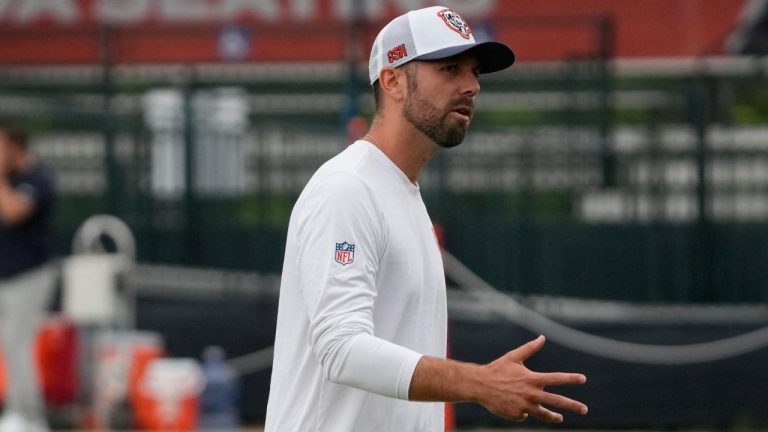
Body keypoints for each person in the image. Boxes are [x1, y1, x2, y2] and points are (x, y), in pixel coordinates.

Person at [265, 6, 588, 431]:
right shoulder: (348, 188)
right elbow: (341, 349)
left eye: (474, 72)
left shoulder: (399, 191)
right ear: (392, 81)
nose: (471, 86)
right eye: (449, 68)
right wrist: (481, 383)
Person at [0, 123, 56, 432]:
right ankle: (15, 409)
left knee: (17, 342)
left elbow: (13, 212)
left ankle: (30, 415)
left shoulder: (37, 179)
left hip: (29, 277)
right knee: (8, 344)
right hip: (4, 277)